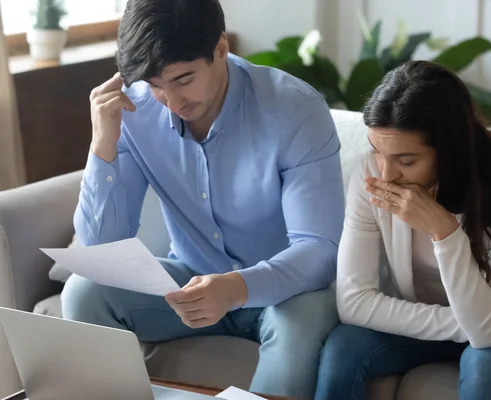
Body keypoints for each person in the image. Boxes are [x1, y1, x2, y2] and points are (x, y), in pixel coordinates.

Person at [60, 1, 344, 398]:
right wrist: (103, 145)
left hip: (291, 293)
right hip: (189, 282)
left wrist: (236, 288)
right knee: (83, 290)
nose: (172, 101)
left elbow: (319, 250)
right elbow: (103, 254)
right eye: (156, 85)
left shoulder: (294, 109)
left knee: (297, 327)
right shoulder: (134, 107)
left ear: (221, 49)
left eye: (183, 79)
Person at [315, 60, 491, 400]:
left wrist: (444, 231)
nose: (386, 175)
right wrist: (472, 324)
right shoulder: (370, 176)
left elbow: (486, 336)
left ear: (449, 150)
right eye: (377, 151)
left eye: (406, 160)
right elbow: (353, 302)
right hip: (481, 321)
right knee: (345, 346)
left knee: (483, 360)